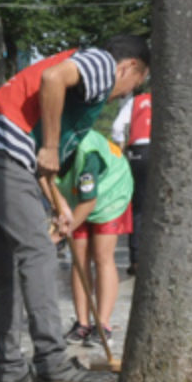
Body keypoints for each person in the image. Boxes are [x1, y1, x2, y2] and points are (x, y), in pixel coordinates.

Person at [0, 35, 149, 382]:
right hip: (2, 154)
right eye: (130, 88)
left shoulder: (77, 85)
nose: (121, 94)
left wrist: (58, 202)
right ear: (130, 67)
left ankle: (11, 368)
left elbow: (38, 162)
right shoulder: (103, 63)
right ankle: (51, 363)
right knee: (39, 254)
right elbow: (53, 80)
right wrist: (49, 147)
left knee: (9, 265)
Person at [54, 129, 133, 347]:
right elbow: (46, 181)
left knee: (101, 255)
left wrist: (57, 235)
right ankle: (82, 323)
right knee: (79, 258)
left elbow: (89, 202)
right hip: (77, 194)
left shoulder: (88, 153)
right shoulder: (44, 144)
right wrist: (59, 209)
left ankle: (103, 324)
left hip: (110, 193)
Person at [110, 88, 151, 275]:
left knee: (138, 207)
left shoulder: (135, 101)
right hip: (160, 147)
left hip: (138, 151)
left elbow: (118, 127)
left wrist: (120, 145)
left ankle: (136, 259)